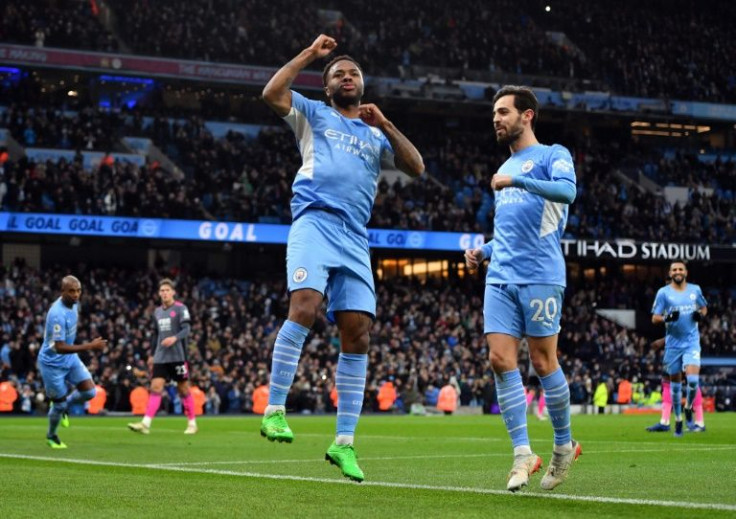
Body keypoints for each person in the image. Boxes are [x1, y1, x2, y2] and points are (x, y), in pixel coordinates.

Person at [259, 34, 424, 482]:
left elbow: (416, 167)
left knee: (359, 333)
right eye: (338, 74)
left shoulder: (374, 134)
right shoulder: (313, 114)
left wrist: (387, 125)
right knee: (306, 306)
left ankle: (344, 443)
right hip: (315, 221)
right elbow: (272, 93)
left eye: (353, 73)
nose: (347, 77)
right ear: (327, 86)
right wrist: (312, 55)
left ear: (362, 86)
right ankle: (274, 409)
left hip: (355, 236)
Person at [464, 85, 580, 492]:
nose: (496, 119)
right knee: (499, 359)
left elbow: (568, 192)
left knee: (544, 363)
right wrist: (485, 251)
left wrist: (518, 181)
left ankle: (564, 447)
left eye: (503, 112)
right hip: (501, 277)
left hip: (542, 276)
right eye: (494, 113)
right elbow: (511, 235)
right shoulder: (505, 168)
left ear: (526, 115)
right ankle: (523, 454)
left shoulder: (553, 155)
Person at [37, 275, 107, 448]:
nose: (76, 294)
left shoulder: (75, 306)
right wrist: (90, 346)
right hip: (51, 364)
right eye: (71, 291)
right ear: (62, 292)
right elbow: (59, 346)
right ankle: (51, 435)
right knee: (58, 406)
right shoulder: (56, 314)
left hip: (69, 359)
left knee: (90, 393)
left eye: (78, 290)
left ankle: (62, 406)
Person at [128, 279, 198, 435]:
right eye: (162, 291)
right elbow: (155, 335)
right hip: (161, 356)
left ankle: (192, 423)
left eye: (167, 290)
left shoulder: (181, 309)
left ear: (173, 292)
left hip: (178, 356)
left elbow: (187, 330)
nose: (164, 293)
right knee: (155, 387)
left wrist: (174, 338)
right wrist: (153, 353)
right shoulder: (157, 312)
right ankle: (145, 424)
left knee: (183, 389)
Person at [651, 261, 707, 437]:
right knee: (674, 386)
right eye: (674, 269)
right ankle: (677, 420)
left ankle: (688, 407)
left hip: (691, 343)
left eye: (680, 269)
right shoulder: (663, 293)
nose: (677, 271)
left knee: (692, 381)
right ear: (670, 273)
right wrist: (667, 317)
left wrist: (700, 314)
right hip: (673, 345)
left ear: (686, 272)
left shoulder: (695, 290)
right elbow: (655, 318)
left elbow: (704, 308)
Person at [646, 337, 707, 433]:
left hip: (686, 349)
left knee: (691, 382)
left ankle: (699, 422)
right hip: (675, 349)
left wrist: (662, 341)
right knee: (667, 381)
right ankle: (664, 422)